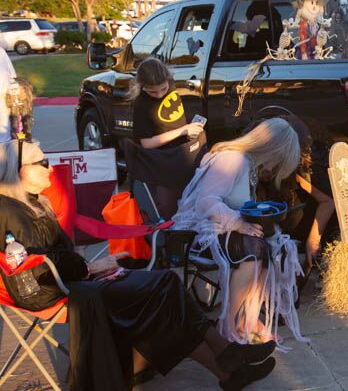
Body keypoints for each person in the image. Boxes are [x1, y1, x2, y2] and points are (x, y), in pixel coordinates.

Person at [0, 140, 277, 390]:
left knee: (165, 292)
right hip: (55, 291)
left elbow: (57, 255)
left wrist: (86, 264)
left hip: (72, 278)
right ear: (18, 171)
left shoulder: (32, 203)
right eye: (42, 163)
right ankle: (227, 359)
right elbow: (35, 271)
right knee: (163, 294)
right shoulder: (10, 213)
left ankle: (228, 365)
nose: (51, 169)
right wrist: (91, 268)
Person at [173, 118, 306, 344]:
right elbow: (206, 202)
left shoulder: (247, 163)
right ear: (271, 149)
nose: (274, 168)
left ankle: (249, 319)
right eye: (278, 162)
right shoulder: (231, 160)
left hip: (222, 228)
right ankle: (231, 324)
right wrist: (237, 222)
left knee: (270, 246)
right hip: (198, 232)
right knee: (252, 249)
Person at [253, 114, 337, 269]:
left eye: (266, 168)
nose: (264, 172)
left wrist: (313, 242)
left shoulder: (298, 165)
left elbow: (328, 201)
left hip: (320, 215)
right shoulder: (250, 163)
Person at [128, 57, 205, 218]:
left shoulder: (171, 85)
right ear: (142, 86)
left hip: (183, 155)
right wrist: (182, 131)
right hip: (162, 163)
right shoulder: (141, 104)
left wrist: (189, 131)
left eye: (163, 89)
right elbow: (146, 143)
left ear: (168, 79)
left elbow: (175, 121)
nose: (159, 94)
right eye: (152, 91)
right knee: (169, 207)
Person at [0, 49, 18, 141]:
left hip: (2, 89)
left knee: (3, 121)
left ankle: (4, 142)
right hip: (3, 88)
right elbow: (11, 74)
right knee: (3, 122)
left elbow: (11, 74)